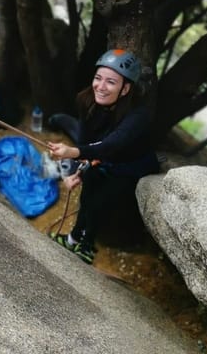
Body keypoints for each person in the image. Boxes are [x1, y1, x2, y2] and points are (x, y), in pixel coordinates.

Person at [45, 49, 159, 264]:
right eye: (98, 78)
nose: (100, 86)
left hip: (131, 165)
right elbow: (88, 140)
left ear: (125, 89)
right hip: (103, 157)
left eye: (111, 82)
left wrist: (74, 153)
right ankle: (73, 238)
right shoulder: (87, 100)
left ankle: (87, 246)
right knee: (89, 187)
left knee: (100, 199)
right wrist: (79, 169)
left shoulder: (138, 115)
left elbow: (113, 144)